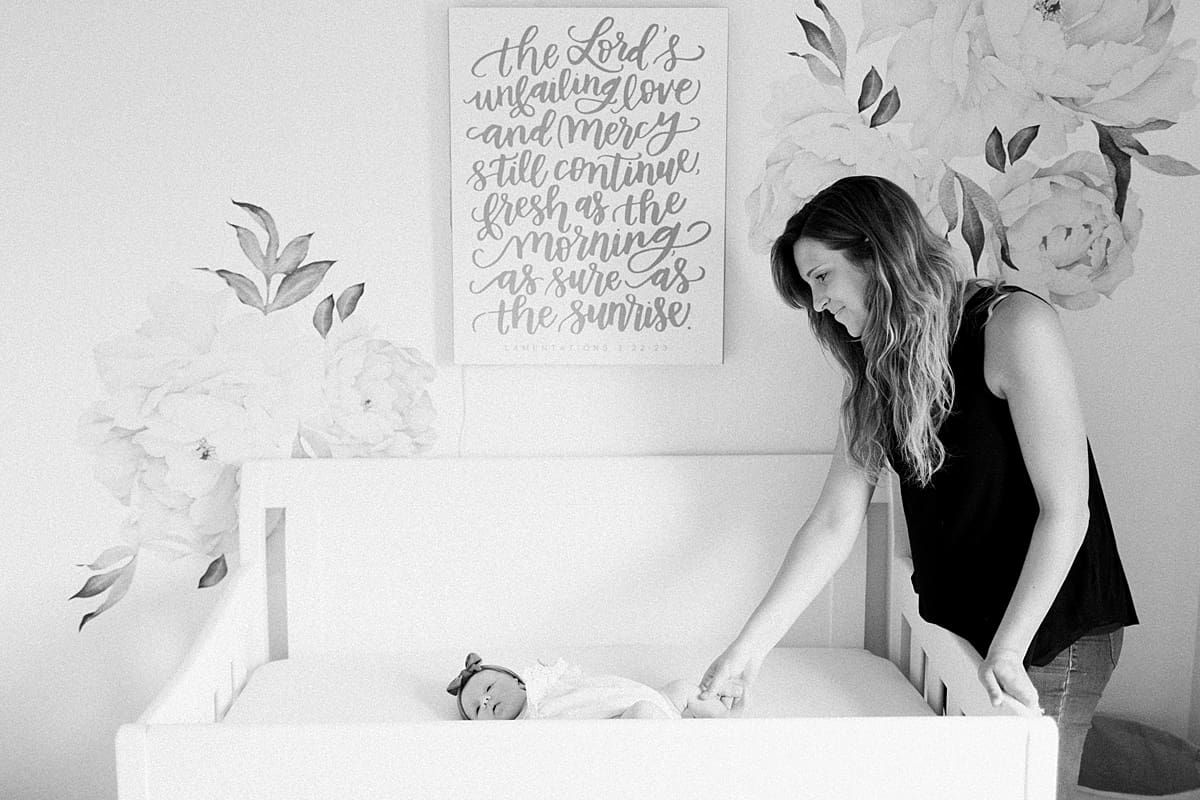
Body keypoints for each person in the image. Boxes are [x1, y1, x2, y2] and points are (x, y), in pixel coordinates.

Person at [699, 175, 1137, 798]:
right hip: (966, 631)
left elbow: (1065, 511)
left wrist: (1009, 649)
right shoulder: (883, 368)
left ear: (877, 253)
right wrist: (746, 652)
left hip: (1050, 627)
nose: (818, 304)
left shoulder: (1013, 325)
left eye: (821, 277)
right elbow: (832, 523)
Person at [446, 652, 732, 720]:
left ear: (520, 682)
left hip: (647, 696)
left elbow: (589, 685)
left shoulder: (549, 683)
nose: (485, 701)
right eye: (475, 709)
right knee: (645, 712)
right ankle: (690, 743)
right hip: (628, 717)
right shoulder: (532, 723)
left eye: (489, 688)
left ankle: (725, 716)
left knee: (680, 688)